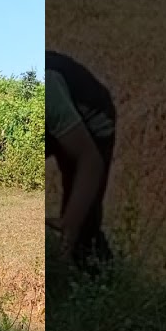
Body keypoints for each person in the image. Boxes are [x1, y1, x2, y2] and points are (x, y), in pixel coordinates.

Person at [46, 49, 117, 275]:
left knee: (83, 216)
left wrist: (70, 224)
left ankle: (99, 280)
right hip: (55, 112)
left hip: (93, 120)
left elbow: (90, 161)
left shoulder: (47, 93)